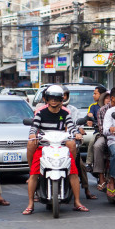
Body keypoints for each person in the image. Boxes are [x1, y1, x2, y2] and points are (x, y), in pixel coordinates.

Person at [24, 85, 88, 214]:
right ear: (47, 99)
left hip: (60, 145)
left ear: (61, 100)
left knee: (73, 173)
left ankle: (77, 202)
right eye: (51, 98)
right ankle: (30, 204)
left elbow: (71, 127)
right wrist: (32, 135)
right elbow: (33, 128)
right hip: (44, 146)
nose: (53, 101)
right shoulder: (40, 113)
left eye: (56, 98)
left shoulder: (65, 114)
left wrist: (76, 133)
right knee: (34, 174)